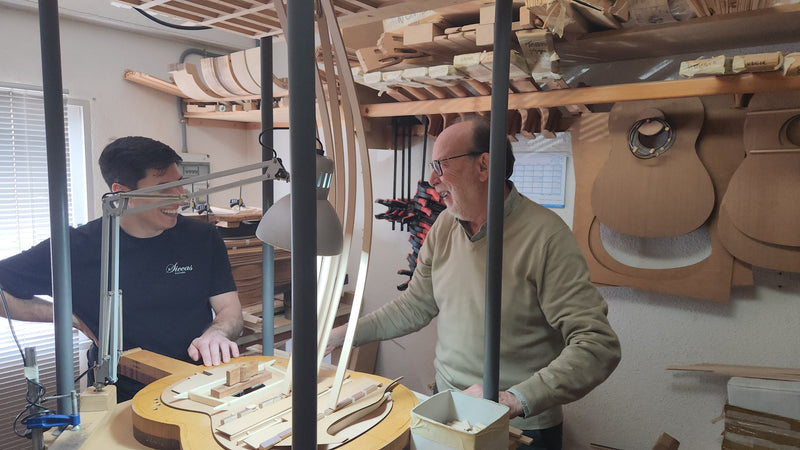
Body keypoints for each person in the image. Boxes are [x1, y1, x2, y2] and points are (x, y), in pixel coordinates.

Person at [328, 119, 621, 449]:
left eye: (441, 165)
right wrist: (341, 335)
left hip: (519, 423)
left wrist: (513, 399)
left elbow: (597, 345)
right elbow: (414, 306)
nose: (433, 180)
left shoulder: (547, 237)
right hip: (448, 407)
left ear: (484, 166)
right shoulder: (444, 228)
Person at [0, 136, 243, 400]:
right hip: (123, 399)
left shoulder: (202, 237)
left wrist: (217, 332)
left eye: (181, 184)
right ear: (121, 191)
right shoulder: (77, 247)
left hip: (200, 387)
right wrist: (72, 318)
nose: (180, 198)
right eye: (165, 188)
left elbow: (230, 310)